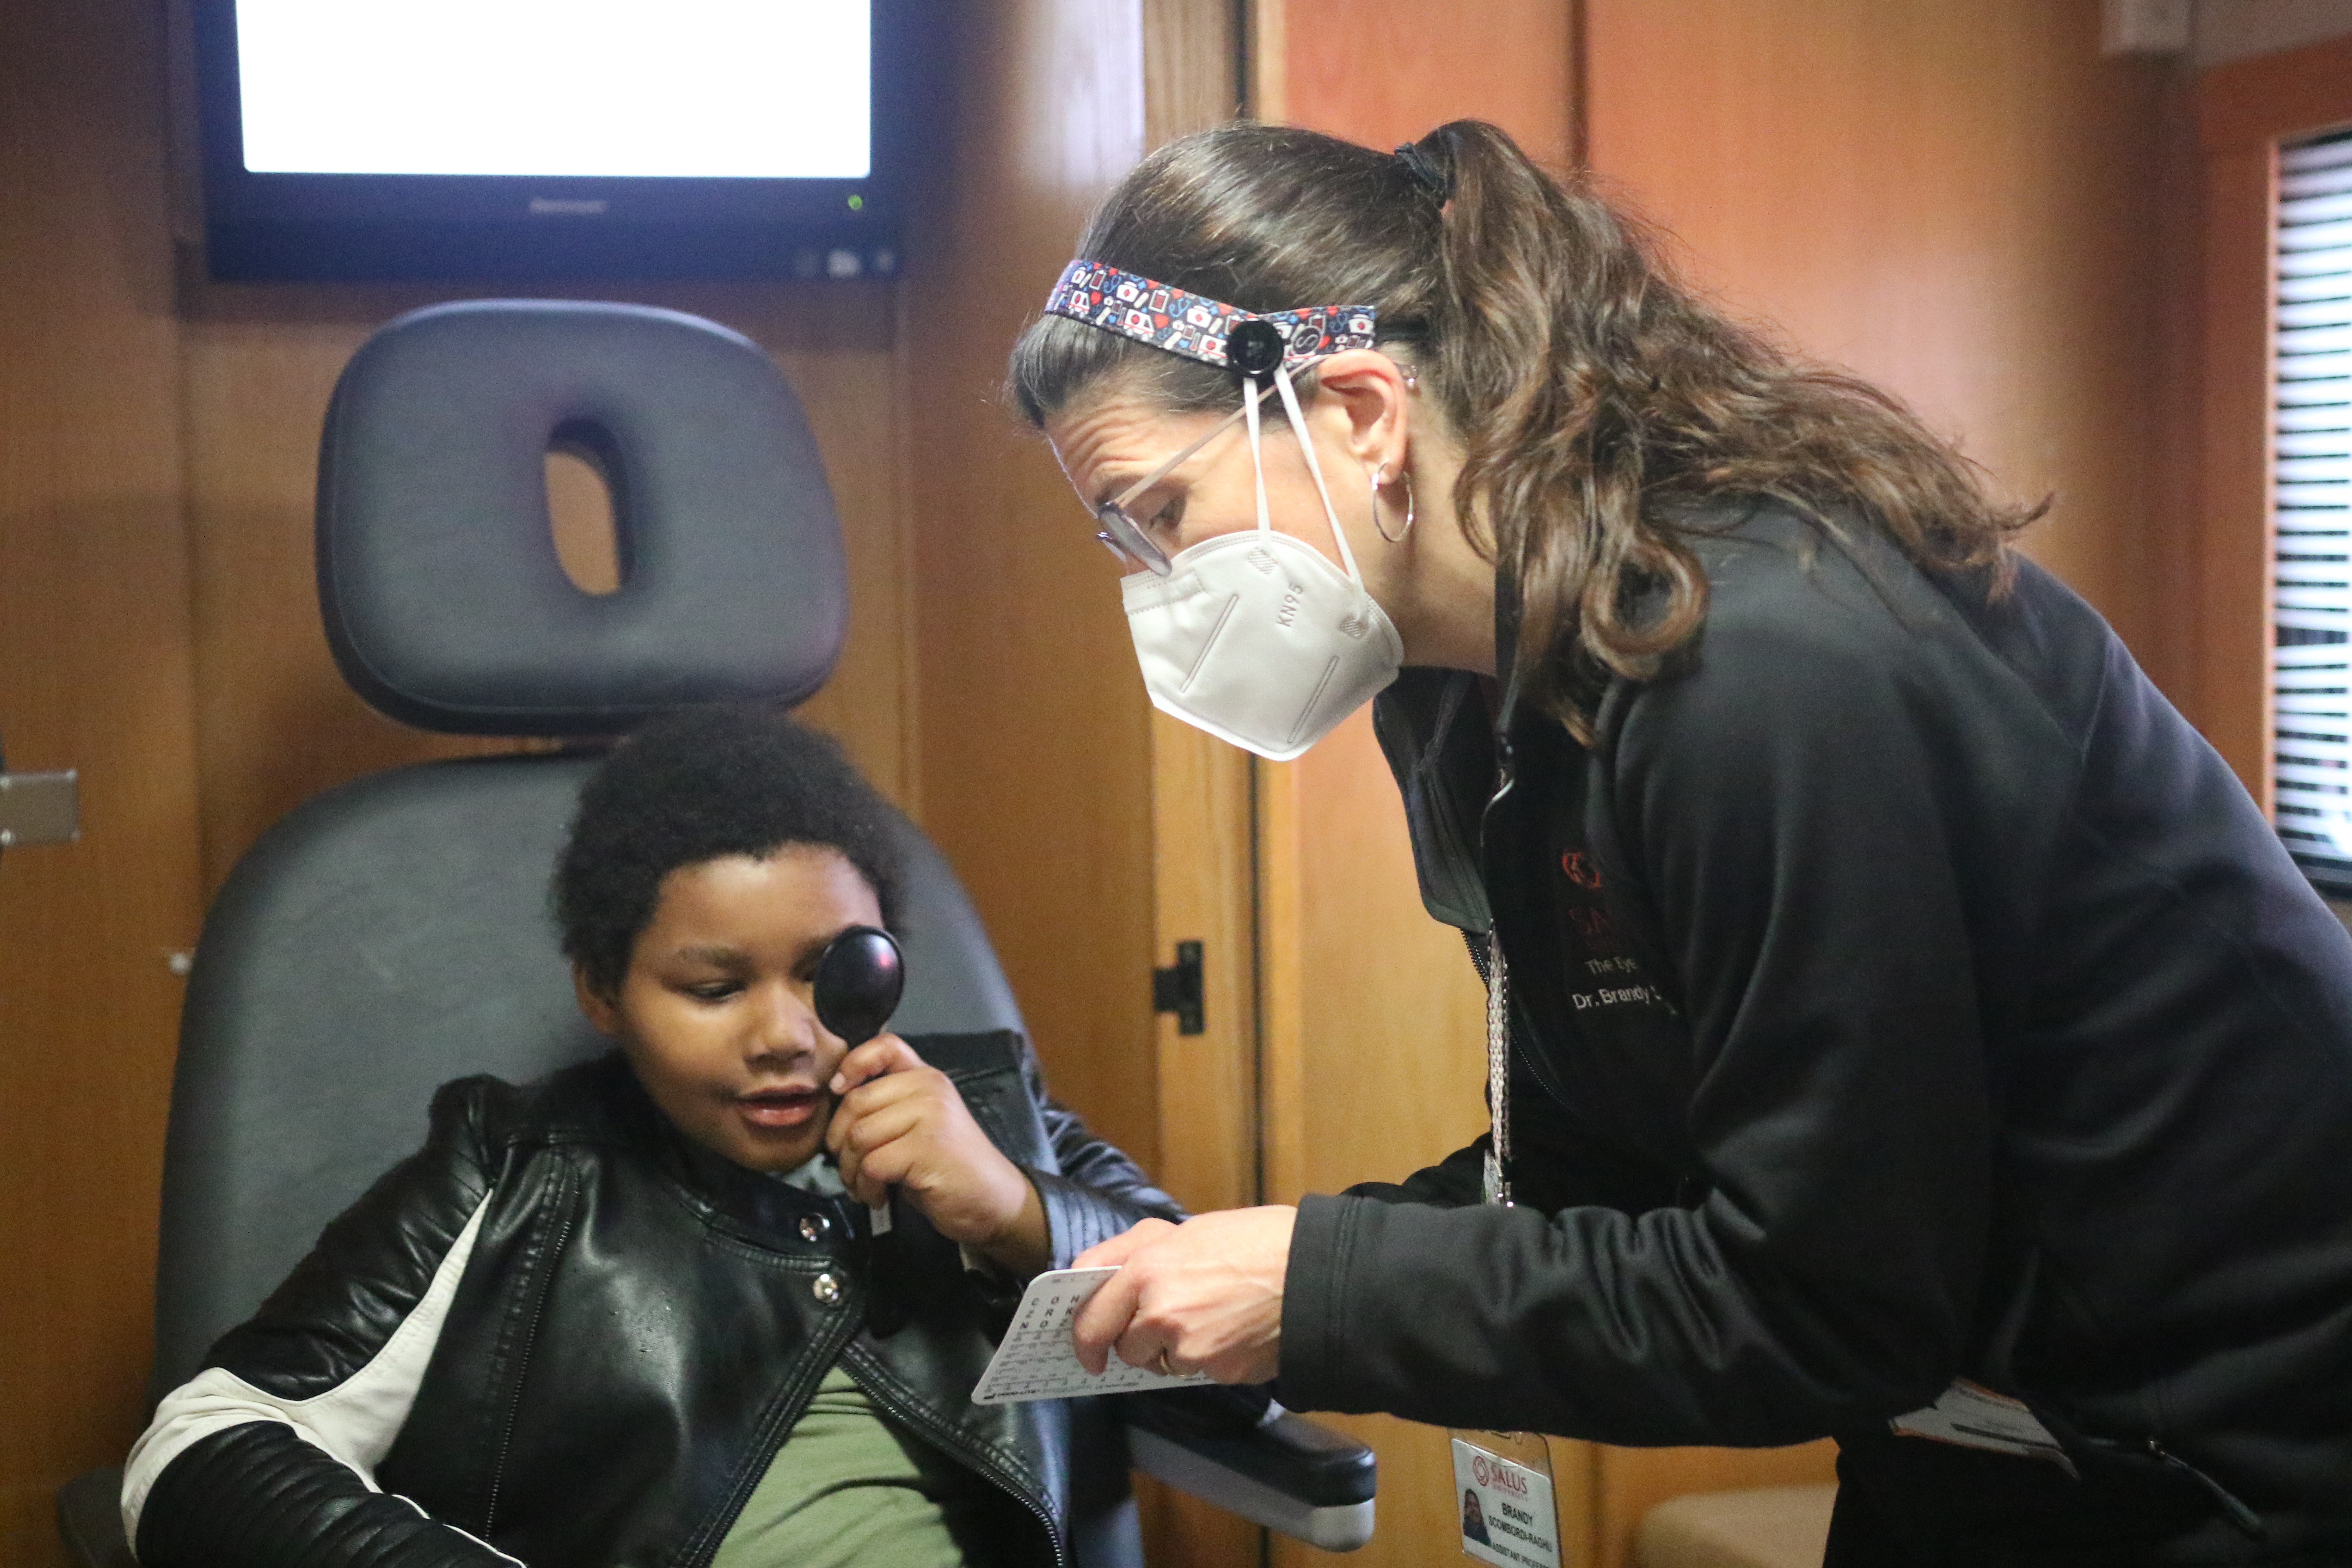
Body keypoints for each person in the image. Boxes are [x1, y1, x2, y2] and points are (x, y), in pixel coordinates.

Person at [1006, 119, 2352, 1563]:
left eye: (1162, 514)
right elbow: (1607, 1162)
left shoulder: (1772, 663)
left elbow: (1821, 1301)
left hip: (2233, 1448)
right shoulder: (1466, 694)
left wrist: (1321, 1286)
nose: (1160, 590)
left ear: (1357, 410)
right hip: (1976, 1438)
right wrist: (1244, 1275)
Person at [119, 706, 1187, 1568]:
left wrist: (1014, 1211)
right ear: (603, 991)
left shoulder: (991, 1114)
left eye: (831, 973)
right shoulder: (523, 1172)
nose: (785, 1037)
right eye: (715, 988)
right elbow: (201, 1449)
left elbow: (1240, 1354)